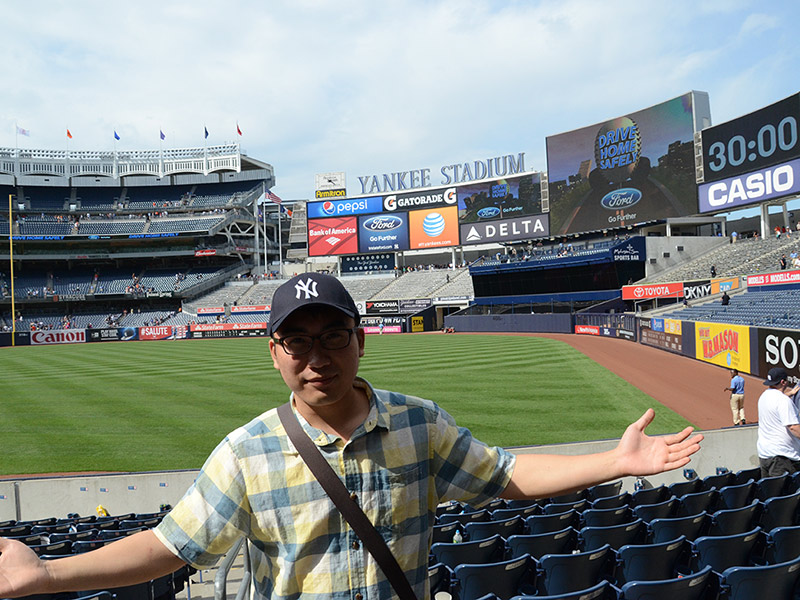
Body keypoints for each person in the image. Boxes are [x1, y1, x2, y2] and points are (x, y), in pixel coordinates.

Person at [0, 273, 703, 600]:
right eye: (296, 342)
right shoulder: (246, 451)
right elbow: (168, 547)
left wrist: (612, 460)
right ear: (273, 352)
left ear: (360, 342)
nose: (316, 358)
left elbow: (505, 474)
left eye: (332, 336)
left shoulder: (420, 422)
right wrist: (48, 575)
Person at [757, 367, 800, 478]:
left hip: (765, 455)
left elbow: (776, 403)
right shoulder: (783, 401)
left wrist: (790, 393)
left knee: (770, 492)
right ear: (783, 382)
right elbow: (793, 427)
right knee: (785, 494)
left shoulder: (764, 396)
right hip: (781, 458)